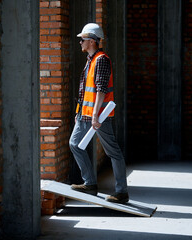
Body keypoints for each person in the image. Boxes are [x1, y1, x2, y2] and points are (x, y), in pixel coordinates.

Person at [69, 23, 129, 204]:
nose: (80, 42)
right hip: (84, 114)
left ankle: (122, 192)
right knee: (75, 144)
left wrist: (96, 116)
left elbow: (101, 89)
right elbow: (85, 91)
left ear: (92, 41)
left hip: (98, 116)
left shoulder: (101, 59)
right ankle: (90, 183)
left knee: (113, 151)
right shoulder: (90, 59)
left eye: (83, 39)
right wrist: (79, 113)